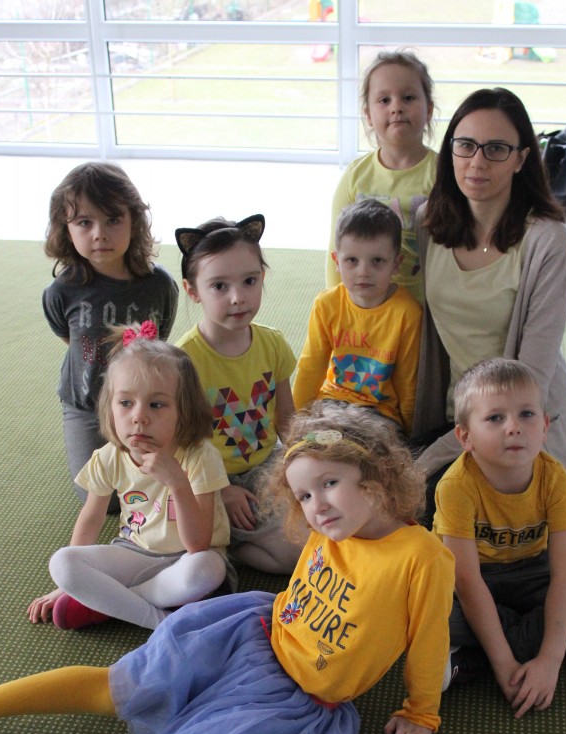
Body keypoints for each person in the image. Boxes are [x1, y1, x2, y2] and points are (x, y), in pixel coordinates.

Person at [0, 403, 456, 734]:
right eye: (305, 495)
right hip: (247, 636)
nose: (317, 506)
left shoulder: (423, 557)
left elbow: (430, 640)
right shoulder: (330, 528)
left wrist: (421, 714)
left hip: (303, 700)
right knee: (121, 686)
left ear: (375, 476)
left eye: (330, 483)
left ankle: (190, 711)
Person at [412, 87, 566, 520]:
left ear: (521, 159)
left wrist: (426, 460)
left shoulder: (547, 241)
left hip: (519, 420)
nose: (477, 162)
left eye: (496, 149)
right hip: (457, 413)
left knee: (438, 514)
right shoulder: (429, 223)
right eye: (465, 145)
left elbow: (532, 375)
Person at [434, 358, 566, 720]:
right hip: (472, 579)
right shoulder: (455, 487)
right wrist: (505, 665)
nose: (514, 427)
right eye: (495, 418)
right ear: (465, 436)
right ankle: (562, 635)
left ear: (545, 426)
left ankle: (474, 657)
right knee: (423, 610)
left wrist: (550, 660)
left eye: (527, 414)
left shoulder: (556, 480)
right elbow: (467, 582)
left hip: (532, 570)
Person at [27, 323, 232, 632]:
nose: (139, 417)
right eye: (125, 403)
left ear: (184, 410)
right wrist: (64, 586)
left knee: (207, 570)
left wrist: (177, 482)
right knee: (63, 562)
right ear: (110, 407)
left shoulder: (199, 456)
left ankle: (111, 603)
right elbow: (91, 518)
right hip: (134, 553)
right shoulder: (109, 456)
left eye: (156, 404)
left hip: (187, 559)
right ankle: (160, 620)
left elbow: (198, 544)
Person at [43, 162, 179, 510]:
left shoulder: (159, 285)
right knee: (102, 499)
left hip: (143, 403)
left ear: (135, 220)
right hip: (85, 405)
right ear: (65, 227)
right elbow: (69, 339)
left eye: (113, 219)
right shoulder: (62, 291)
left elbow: (158, 340)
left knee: (161, 480)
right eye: (84, 222)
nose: (99, 233)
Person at [175, 213, 302, 574]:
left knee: (329, 521)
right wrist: (221, 491)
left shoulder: (272, 344)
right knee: (294, 556)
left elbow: (286, 417)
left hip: (266, 465)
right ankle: (229, 545)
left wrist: (302, 463)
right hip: (208, 480)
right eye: (219, 286)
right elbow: (178, 443)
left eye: (249, 281)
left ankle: (234, 539)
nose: (238, 298)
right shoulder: (184, 360)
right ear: (192, 291)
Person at [293, 198, 422, 435]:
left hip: (379, 413)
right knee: (311, 444)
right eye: (352, 260)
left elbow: (408, 382)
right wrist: (294, 423)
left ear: (396, 264)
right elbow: (311, 367)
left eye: (377, 261)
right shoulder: (326, 304)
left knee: (366, 451)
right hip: (330, 403)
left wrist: (411, 433)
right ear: (337, 262)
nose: (363, 272)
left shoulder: (407, 313)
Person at [325, 50, 437, 305]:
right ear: (368, 115)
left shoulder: (443, 175)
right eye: (384, 100)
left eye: (408, 98)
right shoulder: (356, 177)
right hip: (365, 306)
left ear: (429, 109)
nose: (397, 107)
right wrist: (337, 305)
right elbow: (336, 249)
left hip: (424, 306)